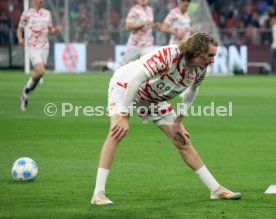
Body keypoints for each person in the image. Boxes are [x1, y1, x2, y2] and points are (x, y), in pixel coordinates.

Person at [91, 32, 242, 205]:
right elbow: (134, 81)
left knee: (182, 140)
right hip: (126, 86)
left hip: (155, 98)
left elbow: (192, 90)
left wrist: (179, 121)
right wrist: (124, 116)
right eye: (210, 55)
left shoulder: (201, 68)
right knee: (116, 132)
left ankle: (216, 190)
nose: (213, 60)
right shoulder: (167, 56)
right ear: (197, 51)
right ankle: (98, 194)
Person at [17, 0, 61, 111]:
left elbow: (50, 30)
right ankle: (25, 92)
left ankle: (25, 95)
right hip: (32, 46)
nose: (42, 1)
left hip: (44, 47)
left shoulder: (47, 13)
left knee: (39, 75)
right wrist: (20, 38)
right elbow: (20, 29)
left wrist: (56, 31)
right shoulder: (26, 14)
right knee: (41, 71)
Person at [106, 0, 160, 72]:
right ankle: (111, 65)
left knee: (150, 65)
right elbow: (128, 26)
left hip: (147, 43)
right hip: (135, 44)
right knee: (124, 67)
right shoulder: (134, 11)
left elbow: (148, 24)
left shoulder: (150, 10)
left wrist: (154, 25)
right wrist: (142, 23)